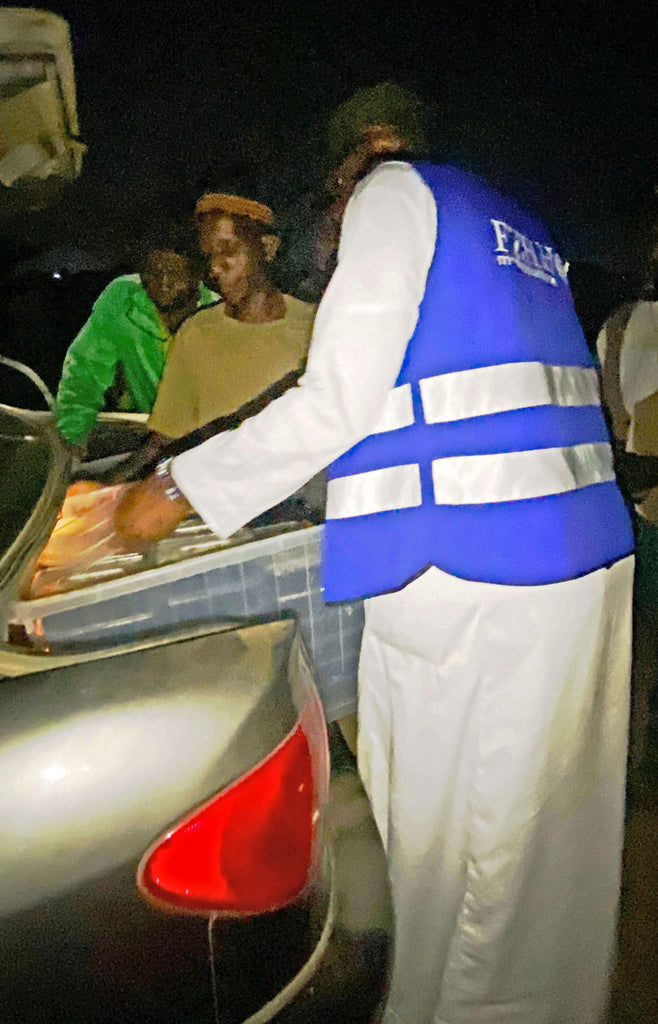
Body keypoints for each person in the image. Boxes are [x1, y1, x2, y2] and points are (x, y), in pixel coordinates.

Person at [115, 84, 635, 1024]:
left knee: (453, 859)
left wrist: (180, 487)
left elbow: (339, 400)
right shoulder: (515, 222)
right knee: (549, 854)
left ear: (351, 169)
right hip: (579, 562)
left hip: (469, 572)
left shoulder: (395, 199)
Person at [148, 193, 316, 439]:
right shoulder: (196, 332)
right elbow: (167, 436)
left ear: (268, 248)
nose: (215, 267)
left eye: (227, 250)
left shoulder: (318, 327)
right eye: (209, 256)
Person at [55, 247, 217, 449]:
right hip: (143, 439)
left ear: (198, 274)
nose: (164, 284)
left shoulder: (223, 318)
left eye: (175, 275)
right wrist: (73, 441)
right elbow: (84, 373)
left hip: (204, 445)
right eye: (154, 273)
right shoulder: (123, 296)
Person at [598, 268, 658, 778]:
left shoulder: (616, 324)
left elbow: (622, 426)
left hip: (632, 508)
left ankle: (629, 763)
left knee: (638, 650)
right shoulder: (649, 330)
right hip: (649, 506)